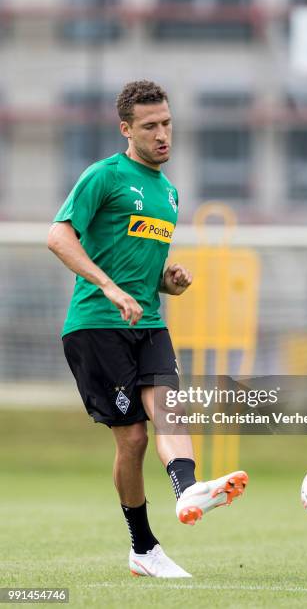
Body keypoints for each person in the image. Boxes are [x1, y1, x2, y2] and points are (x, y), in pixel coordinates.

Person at [48, 80, 248, 578]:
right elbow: (58, 235)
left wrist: (168, 279)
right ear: (126, 129)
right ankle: (143, 549)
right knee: (132, 437)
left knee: (169, 409)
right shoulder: (105, 176)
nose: (163, 135)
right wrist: (110, 288)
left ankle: (189, 491)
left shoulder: (170, 193)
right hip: (97, 323)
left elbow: (140, 262)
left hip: (149, 321)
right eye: (150, 126)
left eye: (167, 124)